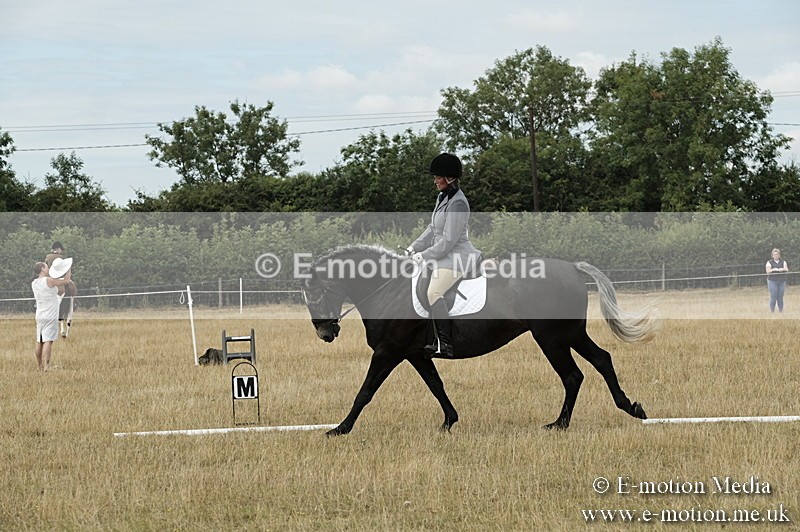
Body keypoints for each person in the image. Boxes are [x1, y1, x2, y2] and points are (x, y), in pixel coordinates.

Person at [407, 153, 482, 358]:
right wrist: (413, 248)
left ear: (449, 178)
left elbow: (448, 240)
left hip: (457, 256)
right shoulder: (443, 198)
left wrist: (425, 255)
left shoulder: (458, 203)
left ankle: (445, 344)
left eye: (438, 177)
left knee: (433, 292)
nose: (434, 180)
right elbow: (432, 228)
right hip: (442, 254)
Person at [31, 258, 73, 370]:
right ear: (42, 269)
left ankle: (39, 365)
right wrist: (68, 269)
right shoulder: (48, 281)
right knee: (48, 340)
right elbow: (66, 281)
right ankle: (47, 366)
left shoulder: (34, 283)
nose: (48, 268)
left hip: (40, 314)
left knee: (39, 340)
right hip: (50, 315)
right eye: (46, 266)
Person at [766, 248, 788, 314]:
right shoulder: (769, 262)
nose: (776, 255)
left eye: (777, 254)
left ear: (779, 255)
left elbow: (786, 269)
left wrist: (780, 269)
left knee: (780, 296)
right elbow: (768, 271)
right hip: (772, 281)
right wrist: (774, 270)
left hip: (782, 281)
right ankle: (772, 311)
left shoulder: (783, 262)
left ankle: (781, 311)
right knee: (774, 296)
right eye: (774, 254)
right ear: (772, 255)